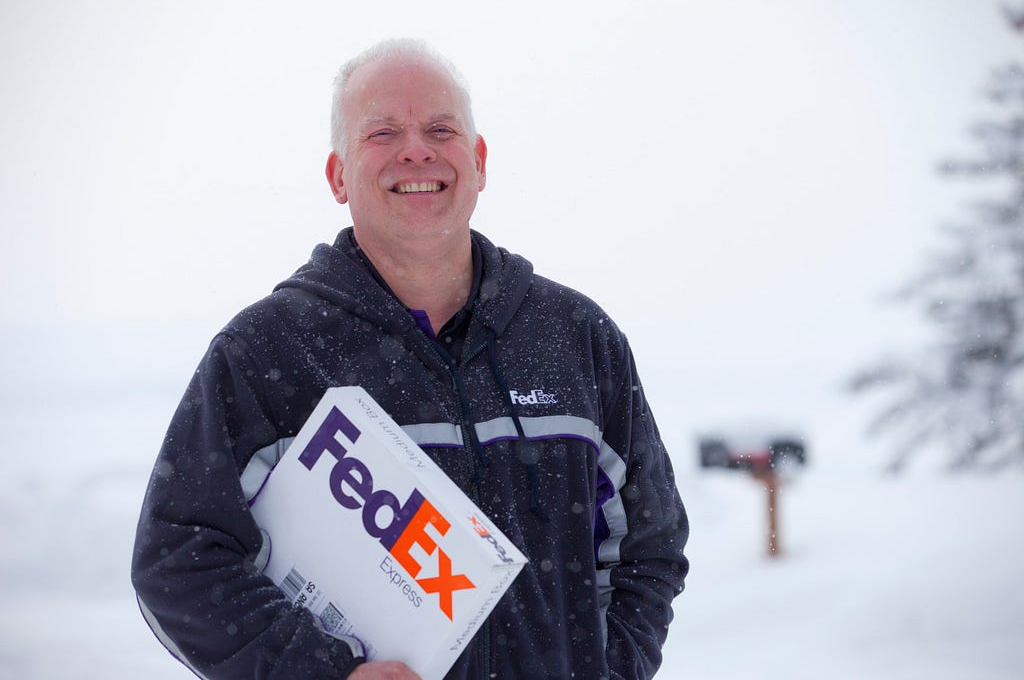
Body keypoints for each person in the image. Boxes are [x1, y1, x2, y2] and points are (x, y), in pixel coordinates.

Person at [132, 38, 689, 680]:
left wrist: (609, 669)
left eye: (440, 129)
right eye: (383, 131)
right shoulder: (266, 350)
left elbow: (650, 545)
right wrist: (322, 673)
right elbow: (179, 558)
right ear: (338, 175)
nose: (416, 150)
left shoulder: (576, 338)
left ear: (478, 162)